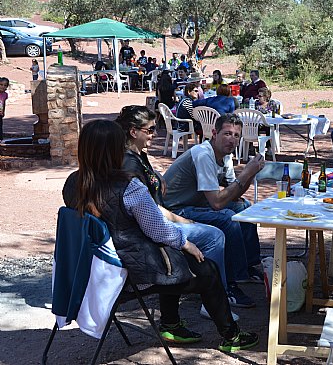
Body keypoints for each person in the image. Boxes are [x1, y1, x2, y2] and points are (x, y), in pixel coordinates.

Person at [62, 120, 259, 351]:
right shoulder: (128, 187)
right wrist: (186, 243)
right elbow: (158, 229)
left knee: (175, 259)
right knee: (205, 267)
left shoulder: (74, 183)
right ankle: (231, 336)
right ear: (115, 149)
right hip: (131, 271)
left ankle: (172, 323)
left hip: (93, 267)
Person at [115, 105, 238, 320]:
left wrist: (157, 174)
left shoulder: (138, 155)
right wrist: (184, 222)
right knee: (214, 235)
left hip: (156, 219)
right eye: (150, 130)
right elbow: (149, 212)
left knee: (228, 217)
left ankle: (172, 318)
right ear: (134, 132)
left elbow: (147, 192)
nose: (154, 135)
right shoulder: (129, 163)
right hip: (151, 227)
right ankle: (216, 297)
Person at [163, 114, 266, 309]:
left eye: (236, 135)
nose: (232, 139)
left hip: (197, 204)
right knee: (228, 218)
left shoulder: (225, 156)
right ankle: (229, 285)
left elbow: (234, 195)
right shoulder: (203, 154)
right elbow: (218, 204)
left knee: (243, 207)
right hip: (177, 210)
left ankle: (247, 266)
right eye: (227, 133)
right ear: (214, 133)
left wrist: (250, 174)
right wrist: (244, 173)